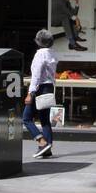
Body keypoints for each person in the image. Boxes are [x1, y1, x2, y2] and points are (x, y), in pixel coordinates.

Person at [24, 29, 58, 159]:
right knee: (45, 120)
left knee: (26, 118)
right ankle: (48, 148)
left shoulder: (40, 54)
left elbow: (36, 75)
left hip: (39, 88)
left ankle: (41, 142)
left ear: (39, 41)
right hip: (49, 87)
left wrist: (30, 93)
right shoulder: (52, 54)